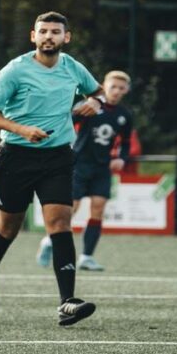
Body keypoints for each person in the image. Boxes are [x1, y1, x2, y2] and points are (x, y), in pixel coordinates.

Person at [0, 11, 102, 327]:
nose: (49, 37)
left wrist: (96, 103)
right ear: (33, 36)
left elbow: (97, 92)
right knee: (8, 228)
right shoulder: (14, 71)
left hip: (57, 157)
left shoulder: (73, 67)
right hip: (16, 156)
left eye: (55, 32)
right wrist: (21, 130)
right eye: (43, 31)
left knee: (59, 222)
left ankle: (67, 302)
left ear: (65, 37)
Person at [36, 70, 134, 272]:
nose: (116, 91)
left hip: (102, 167)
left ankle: (86, 257)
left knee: (98, 208)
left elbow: (125, 143)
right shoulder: (89, 106)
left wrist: (121, 159)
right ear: (103, 86)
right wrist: (78, 111)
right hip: (79, 164)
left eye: (121, 88)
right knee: (71, 208)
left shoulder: (125, 115)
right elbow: (66, 123)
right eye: (112, 86)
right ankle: (48, 242)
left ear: (127, 90)